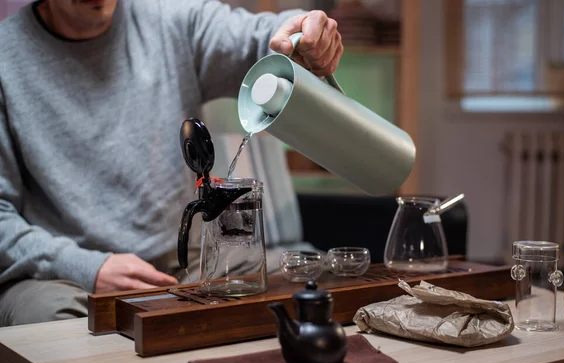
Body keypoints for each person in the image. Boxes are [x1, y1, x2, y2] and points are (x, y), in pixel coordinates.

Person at [0, 0, 343, 326]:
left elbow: (261, 37)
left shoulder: (171, 20)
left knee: (312, 278)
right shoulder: (7, 56)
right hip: (63, 276)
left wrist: (304, 29)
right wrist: (86, 267)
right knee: (50, 327)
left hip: (183, 262)